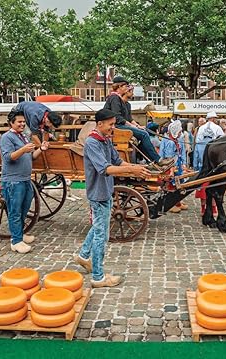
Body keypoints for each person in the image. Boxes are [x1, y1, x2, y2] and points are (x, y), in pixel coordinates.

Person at [73, 109, 151, 287]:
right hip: (98, 193)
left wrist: (136, 168)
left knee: (99, 225)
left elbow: (117, 161)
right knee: (102, 234)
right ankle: (98, 277)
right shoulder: (92, 143)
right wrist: (132, 170)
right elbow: (105, 169)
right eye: (110, 124)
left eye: (114, 124)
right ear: (99, 124)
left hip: (106, 190)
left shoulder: (106, 139)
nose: (113, 128)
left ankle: (83, 255)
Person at [0, 109, 50, 254]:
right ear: (11, 123)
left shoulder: (23, 137)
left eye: (23, 122)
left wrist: (41, 148)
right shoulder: (6, 138)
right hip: (13, 180)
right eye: (19, 122)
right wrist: (23, 149)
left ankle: (19, 234)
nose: (22, 124)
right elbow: (9, 157)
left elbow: (32, 156)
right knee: (15, 211)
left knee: (24, 209)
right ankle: (16, 241)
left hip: (26, 179)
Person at [104, 76, 173, 169]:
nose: (127, 88)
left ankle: (148, 161)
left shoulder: (123, 102)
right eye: (126, 86)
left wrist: (138, 126)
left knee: (143, 134)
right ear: (119, 86)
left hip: (119, 126)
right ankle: (158, 160)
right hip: (115, 127)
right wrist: (135, 127)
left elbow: (129, 118)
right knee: (144, 134)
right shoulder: (114, 98)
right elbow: (118, 118)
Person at [193, 111, 224, 215]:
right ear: (214, 119)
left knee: (202, 187)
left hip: (202, 164)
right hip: (215, 166)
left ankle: (203, 208)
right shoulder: (218, 129)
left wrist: (196, 164)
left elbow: (196, 148)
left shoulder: (201, 129)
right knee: (214, 186)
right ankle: (214, 208)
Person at [159, 119, 188, 213]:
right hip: (171, 166)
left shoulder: (173, 140)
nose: (180, 133)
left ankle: (177, 202)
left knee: (178, 184)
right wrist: (171, 170)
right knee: (172, 184)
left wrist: (182, 163)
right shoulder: (170, 142)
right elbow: (169, 158)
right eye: (179, 132)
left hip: (176, 164)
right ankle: (170, 204)